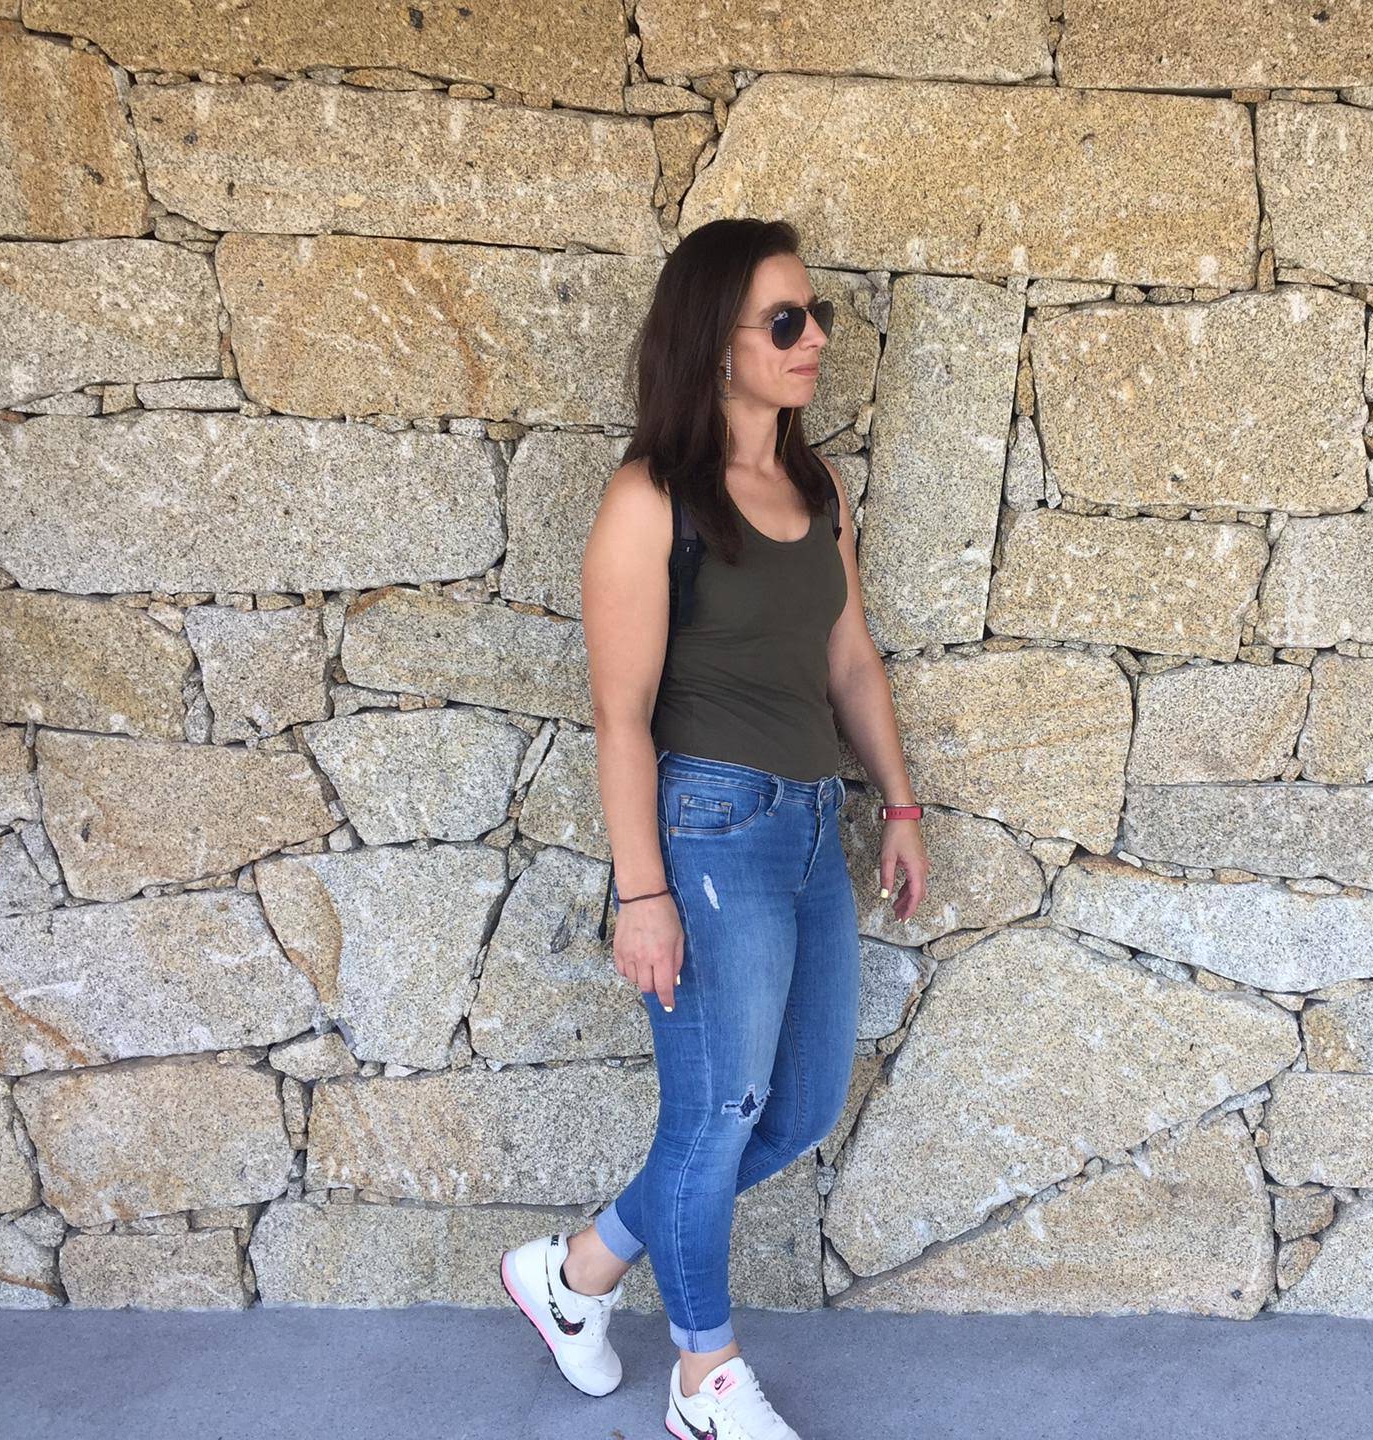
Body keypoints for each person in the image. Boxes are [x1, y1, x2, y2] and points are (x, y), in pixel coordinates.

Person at [499, 217, 930, 1440]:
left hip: (811, 825)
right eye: (785, 321)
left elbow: (851, 658)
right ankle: (705, 1380)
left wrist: (898, 804)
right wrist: (644, 894)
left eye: (817, 315)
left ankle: (578, 1271)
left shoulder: (816, 486)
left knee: (795, 1110)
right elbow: (619, 715)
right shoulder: (653, 500)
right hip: (710, 831)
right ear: (715, 342)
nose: (815, 338)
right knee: (714, 1114)